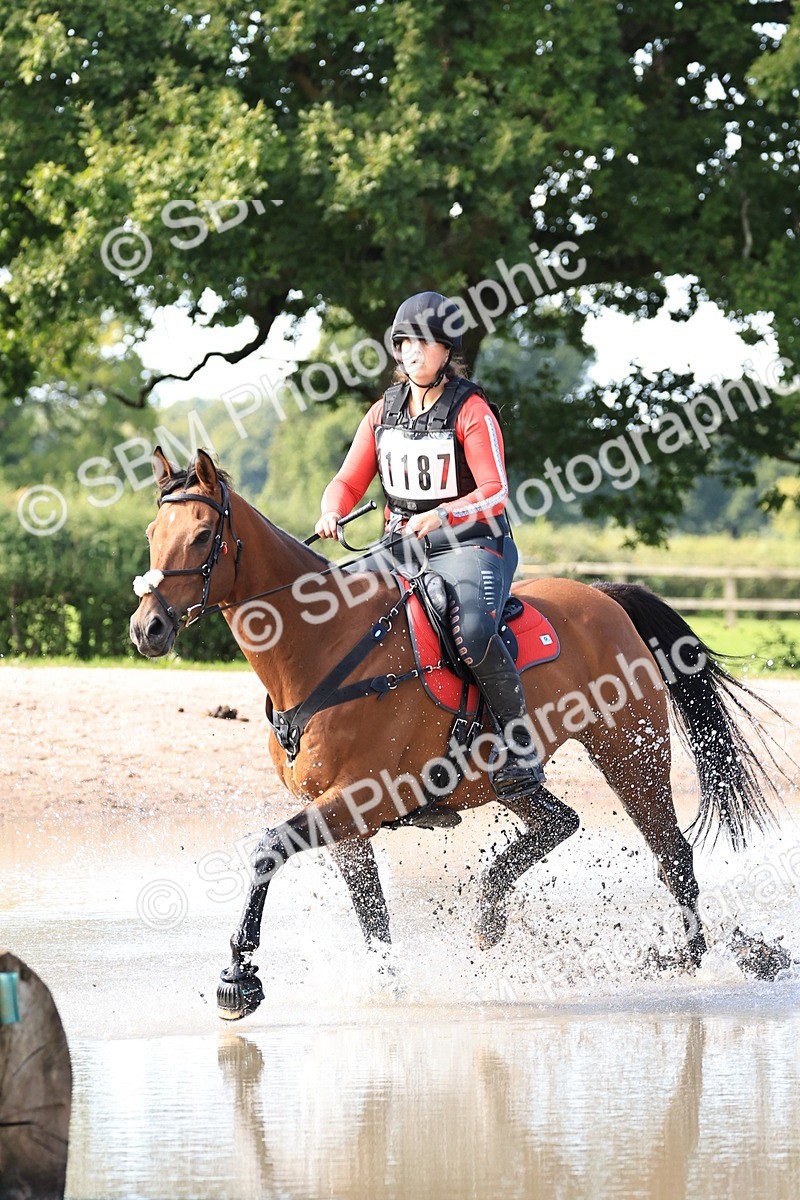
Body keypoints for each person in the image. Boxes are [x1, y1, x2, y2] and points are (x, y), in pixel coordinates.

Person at [315, 290, 546, 799]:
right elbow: (348, 482)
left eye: (423, 342)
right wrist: (332, 509)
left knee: (476, 629)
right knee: (343, 617)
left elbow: (495, 493)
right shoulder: (382, 412)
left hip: (471, 545)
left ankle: (519, 746)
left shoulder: (472, 409)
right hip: (401, 548)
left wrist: (441, 515)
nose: (412, 351)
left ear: (447, 350)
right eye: (404, 343)